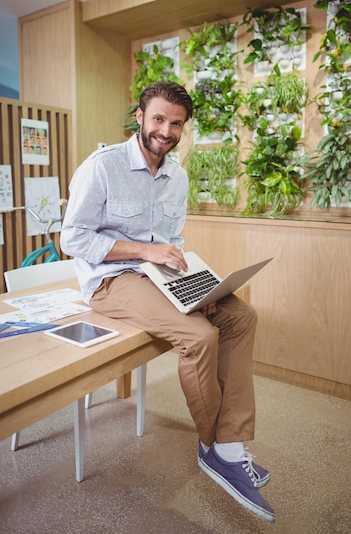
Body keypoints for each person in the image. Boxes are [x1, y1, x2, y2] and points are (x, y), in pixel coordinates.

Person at [60, 81, 275, 523]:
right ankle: (216, 447)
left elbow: (171, 242)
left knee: (240, 315)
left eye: (176, 123)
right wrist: (142, 251)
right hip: (111, 280)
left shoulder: (177, 175)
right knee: (197, 337)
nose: (166, 130)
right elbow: (72, 239)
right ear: (140, 117)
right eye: (158, 118)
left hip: (161, 275)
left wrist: (198, 286)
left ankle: (231, 444)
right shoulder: (102, 167)